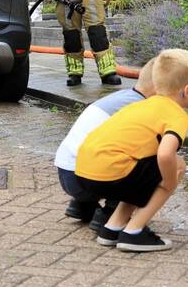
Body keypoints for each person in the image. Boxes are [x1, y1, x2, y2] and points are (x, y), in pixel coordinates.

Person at [75, 49, 188, 252]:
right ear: (187, 90)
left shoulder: (140, 105)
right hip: (112, 174)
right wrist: (169, 183)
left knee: (139, 165)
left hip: (84, 173)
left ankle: (112, 228)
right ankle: (134, 232)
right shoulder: (177, 115)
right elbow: (165, 153)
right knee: (176, 166)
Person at [54, 58, 156, 231]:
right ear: (160, 88)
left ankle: (83, 206)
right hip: (84, 177)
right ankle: (110, 213)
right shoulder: (142, 108)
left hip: (66, 171)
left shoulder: (122, 96)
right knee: (152, 165)